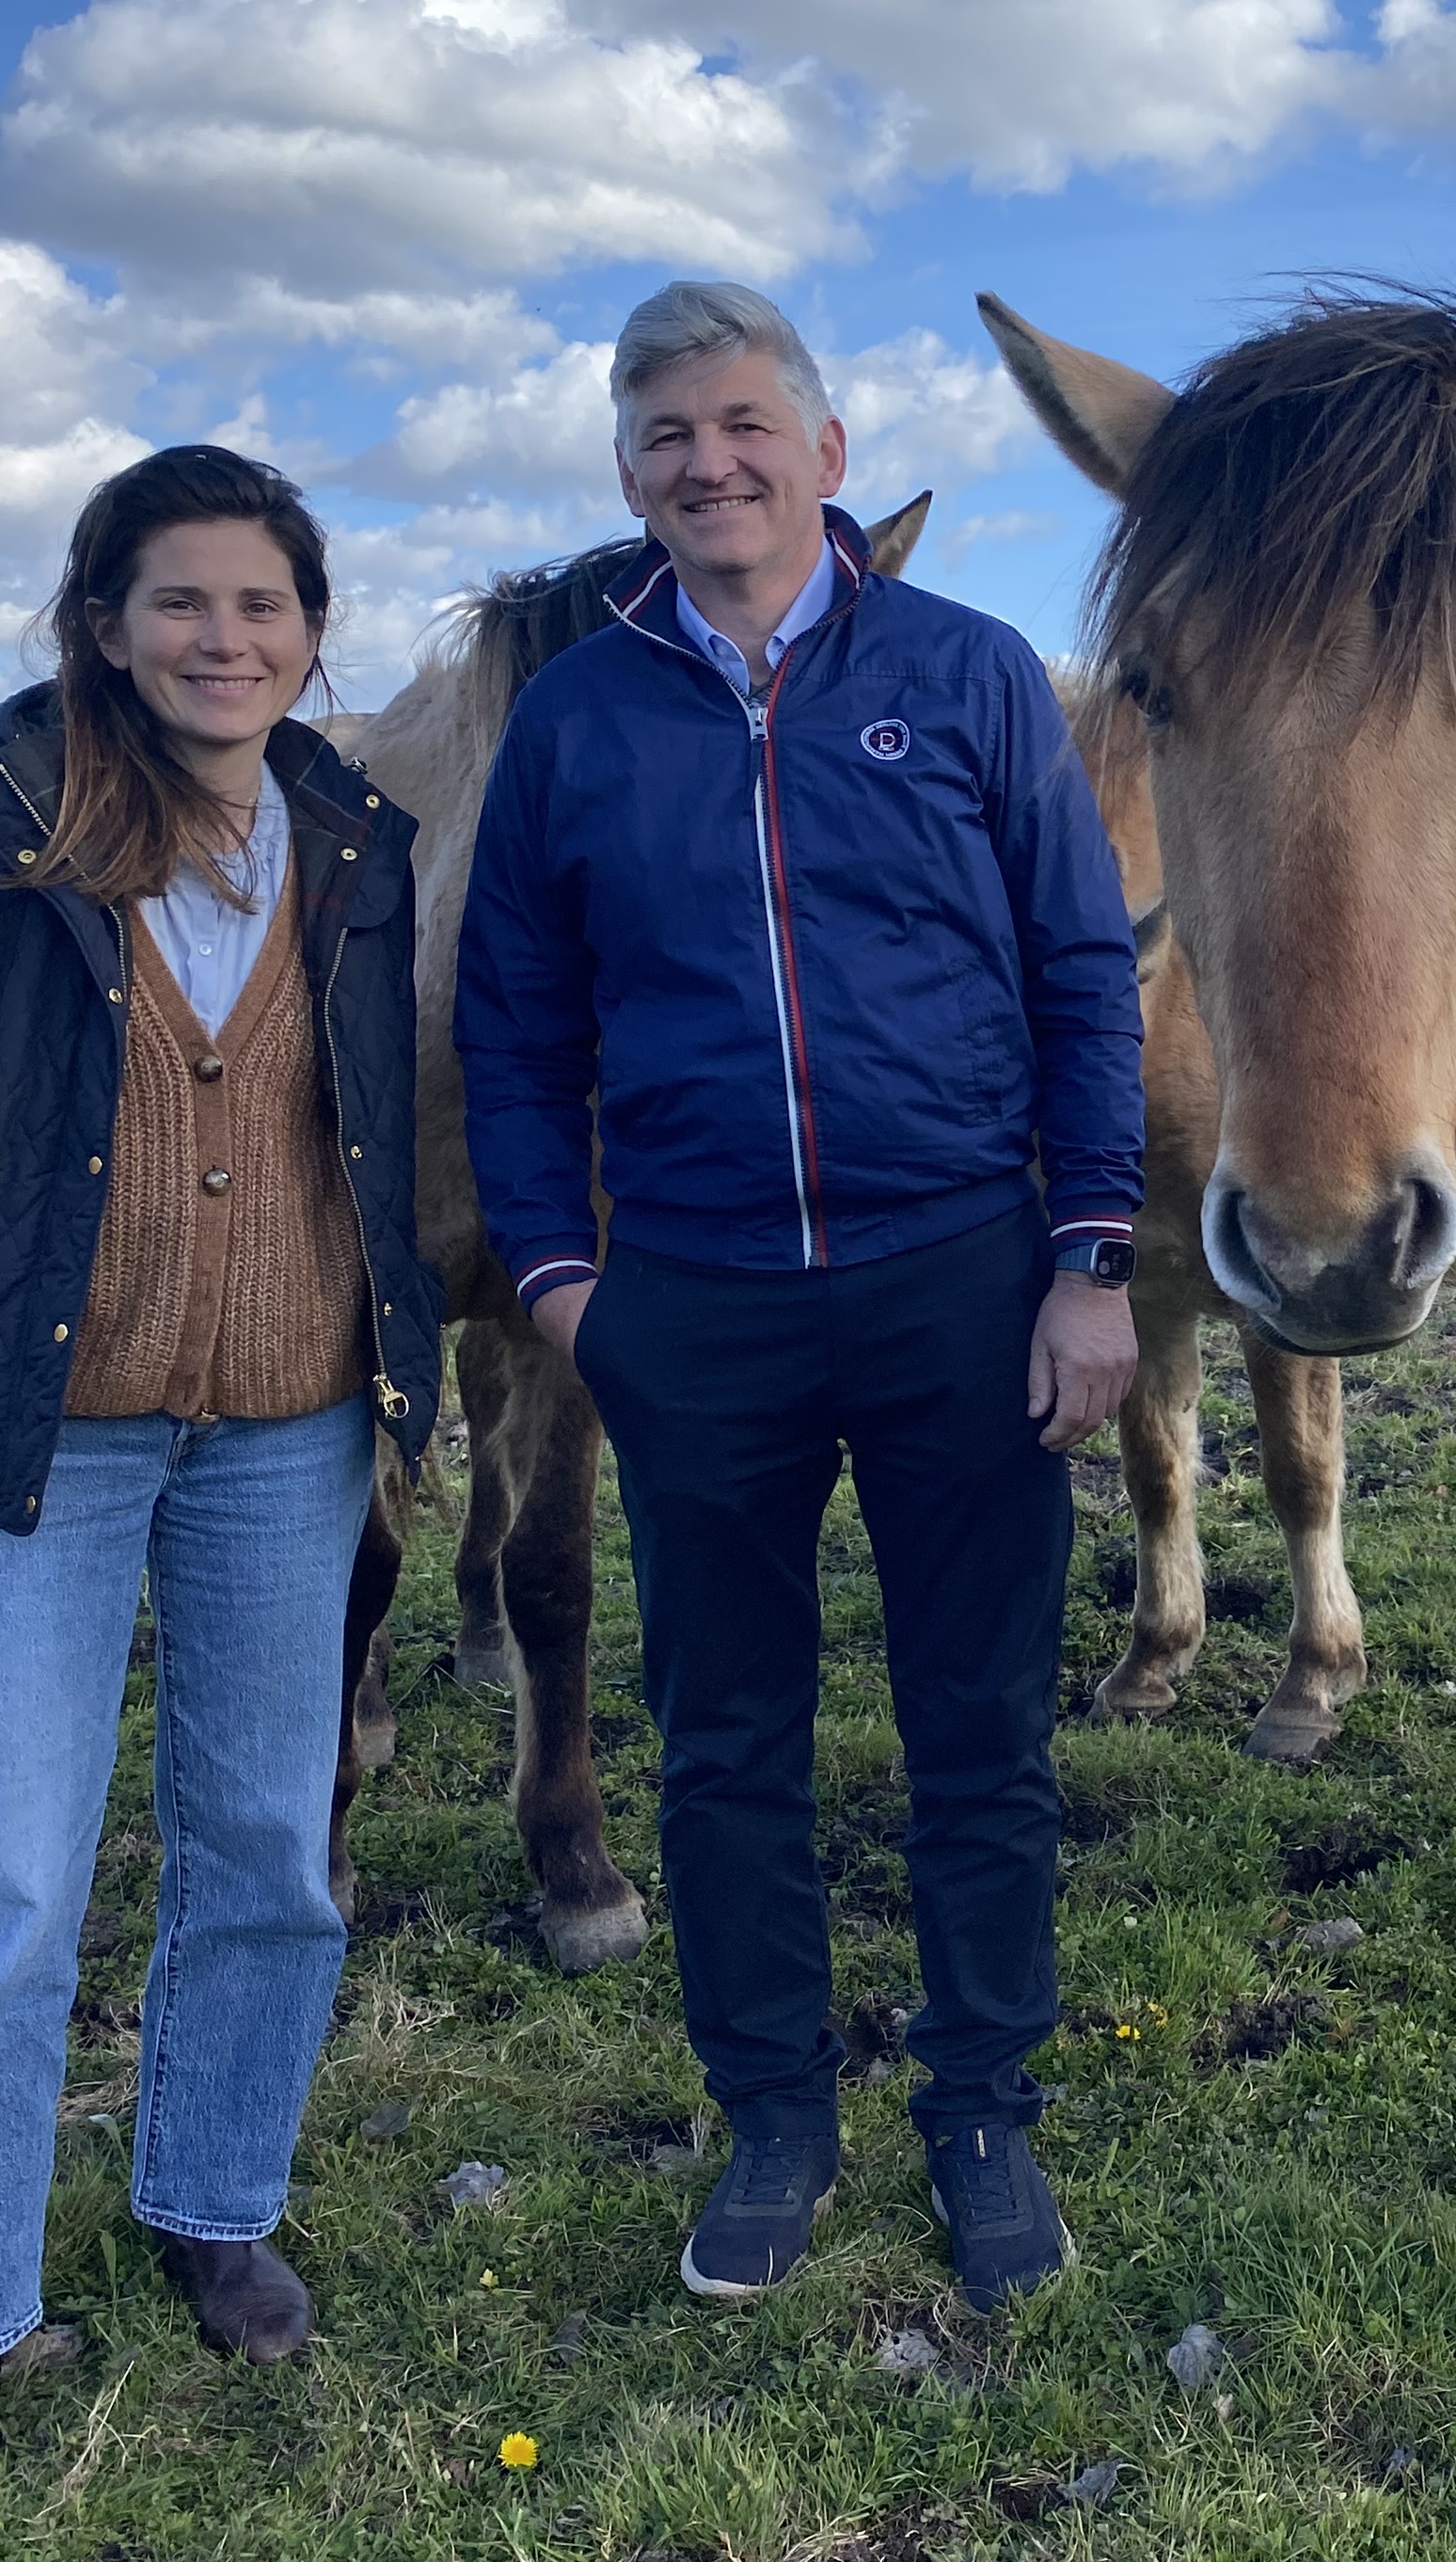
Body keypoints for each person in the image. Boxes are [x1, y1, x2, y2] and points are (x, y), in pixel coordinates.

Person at [458, 281, 1141, 2310]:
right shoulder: (577, 718)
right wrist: (572, 1286)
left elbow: (1085, 974)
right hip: (699, 1304)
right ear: (628, 475)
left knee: (978, 1727)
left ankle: (984, 2106)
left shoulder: (972, 672)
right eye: (666, 433)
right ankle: (773, 2113)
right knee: (725, 1736)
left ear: (827, 455)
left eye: (746, 422)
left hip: (959, 1279)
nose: (711, 461)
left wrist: (1091, 1254)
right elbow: (514, 1029)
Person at [0, 446, 440, 2484]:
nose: (223, 639)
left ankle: (214, 2201)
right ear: (104, 623)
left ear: (310, 633)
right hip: (36, 1440)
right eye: (180, 601)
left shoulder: (356, 837)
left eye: (262, 605)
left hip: (292, 1424)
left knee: (269, 1845)